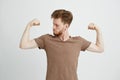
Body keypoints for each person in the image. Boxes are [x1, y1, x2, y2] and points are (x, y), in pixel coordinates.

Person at [19, 9, 104, 80]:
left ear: (66, 27)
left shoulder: (78, 42)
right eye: (53, 24)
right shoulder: (46, 40)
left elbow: (100, 48)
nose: (53, 27)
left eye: (57, 25)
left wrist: (98, 29)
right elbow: (23, 45)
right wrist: (29, 25)